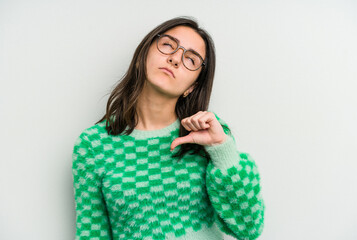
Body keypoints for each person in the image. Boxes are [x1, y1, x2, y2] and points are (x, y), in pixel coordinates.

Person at [72, 16, 265, 240]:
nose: (175, 59)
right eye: (168, 45)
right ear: (142, 55)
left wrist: (221, 148)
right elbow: (91, 233)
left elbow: (249, 228)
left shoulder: (208, 134)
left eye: (191, 60)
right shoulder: (93, 145)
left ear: (191, 87)